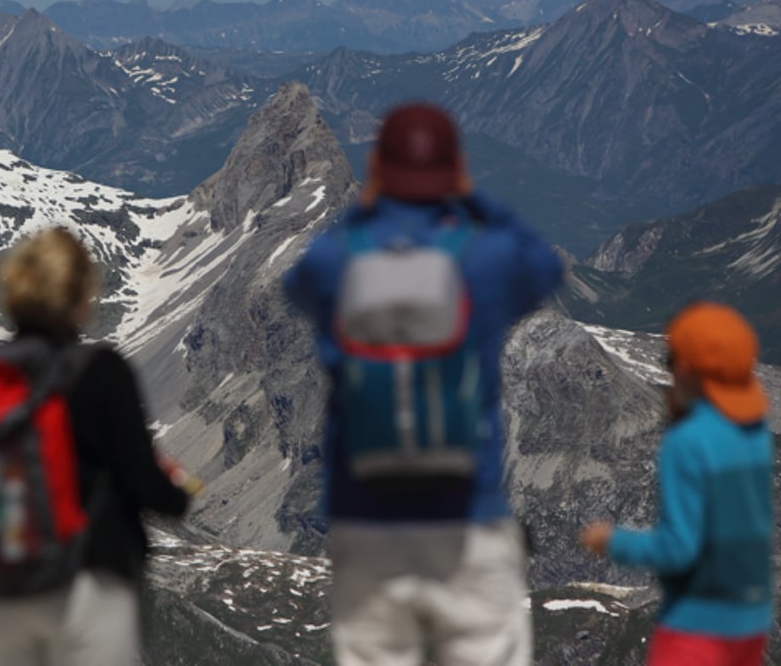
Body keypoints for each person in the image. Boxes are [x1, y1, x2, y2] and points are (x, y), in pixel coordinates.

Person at [284, 103, 563, 666]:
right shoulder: (486, 257)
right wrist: (473, 198)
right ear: (454, 170)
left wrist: (367, 208)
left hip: (367, 525)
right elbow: (546, 267)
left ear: (378, 169)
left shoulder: (338, 259)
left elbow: (298, 286)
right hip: (468, 518)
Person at [0, 227, 190, 666]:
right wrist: (179, 490)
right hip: (88, 583)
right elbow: (147, 486)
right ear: (80, 298)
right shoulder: (101, 371)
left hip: (3, 590)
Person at [581, 303, 773, 666]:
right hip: (750, 615)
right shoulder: (755, 432)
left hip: (699, 621)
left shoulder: (688, 441)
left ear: (685, 367)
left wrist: (612, 540)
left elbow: (680, 549)